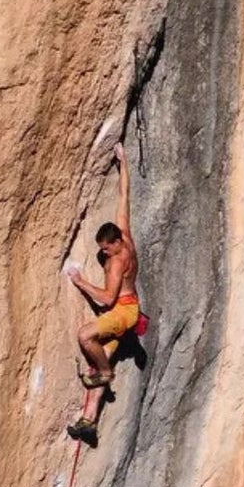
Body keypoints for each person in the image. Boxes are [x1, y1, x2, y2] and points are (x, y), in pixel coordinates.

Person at [64, 143, 139, 445]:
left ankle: (107, 374)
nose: (103, 253)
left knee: (86, 337)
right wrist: (123, 163)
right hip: (126, 311)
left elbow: (107, 299)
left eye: (105, 249)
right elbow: (124, 198)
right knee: (96, 362)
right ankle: (89, 421)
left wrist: (80, 281)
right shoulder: (125, 235)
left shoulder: (118, 263)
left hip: (122, 311)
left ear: (115, 244)